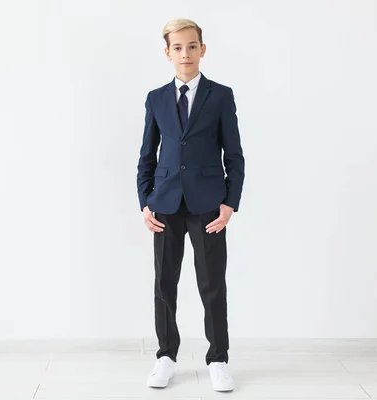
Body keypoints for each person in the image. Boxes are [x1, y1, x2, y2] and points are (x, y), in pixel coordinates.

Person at [136, 18, 245, 392]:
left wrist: (230, 202)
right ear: (167, 53)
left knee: (212, 283)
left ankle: (218, 359)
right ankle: (166, 355)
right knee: (165, 283)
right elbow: (146, 156)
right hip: (165, 204)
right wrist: (144, 202)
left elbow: (234, 154)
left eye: (192, 46)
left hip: (207, 206)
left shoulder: (220, 95)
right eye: (178, 47)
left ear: (203, 49)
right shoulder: (156, 98)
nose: (185, 53)